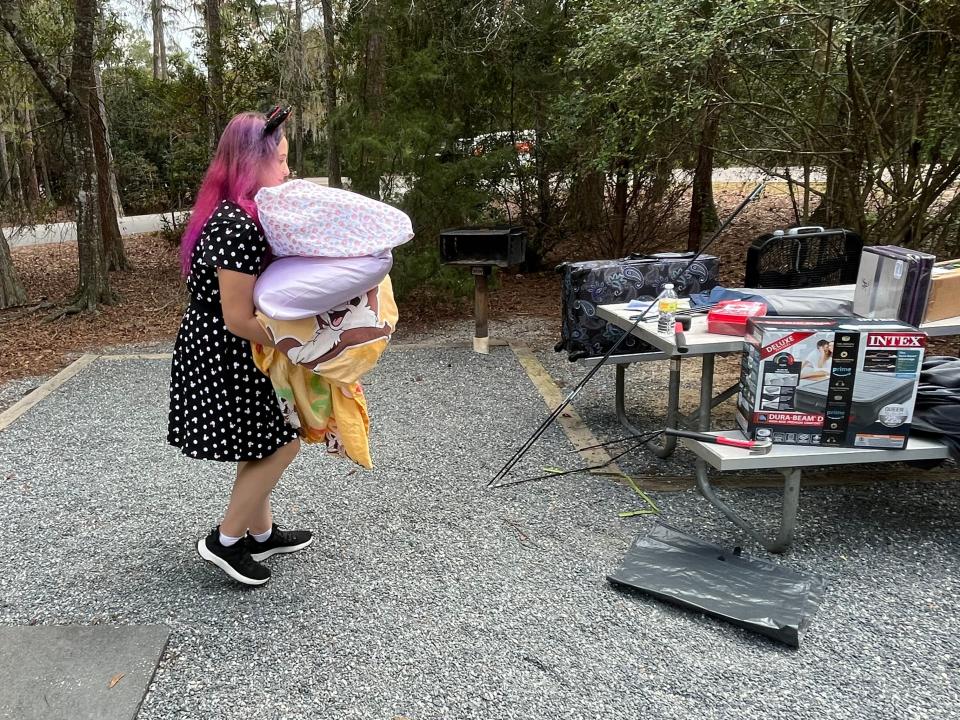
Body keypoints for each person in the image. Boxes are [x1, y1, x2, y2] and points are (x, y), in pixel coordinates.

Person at [167, 107, 312, 586]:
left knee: (262, 440)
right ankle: (225, 541)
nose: (288, 170)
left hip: (223, 347)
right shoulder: (237, 225)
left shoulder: (237, 214)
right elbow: (236, 317)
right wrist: (296, 343)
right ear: (254, 163)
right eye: (282, 160)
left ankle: (261, 531)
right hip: (223, 351)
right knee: (283, 442)